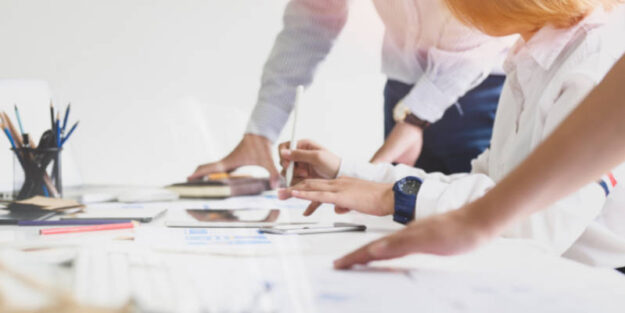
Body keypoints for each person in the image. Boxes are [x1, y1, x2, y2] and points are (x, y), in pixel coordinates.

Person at [279, 0, 625, 268]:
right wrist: (348, 172)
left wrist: (395, 197)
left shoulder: (593, 64)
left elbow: (539, 225)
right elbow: (486, 185)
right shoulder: (528, 58)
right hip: (538, 270)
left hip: (591, 282)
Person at [188, 0, 513, 186]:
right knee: (401, 219)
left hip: (482, 89)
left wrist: (417, 117)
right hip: (403, 91)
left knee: (481, 221)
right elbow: (312, 20)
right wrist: (261, 132)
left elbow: (482, 33)